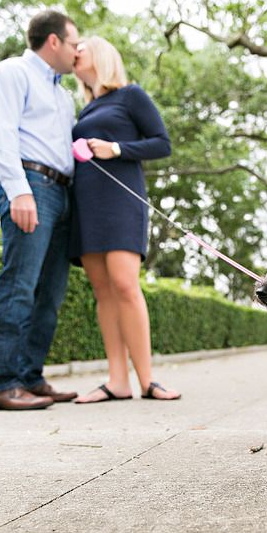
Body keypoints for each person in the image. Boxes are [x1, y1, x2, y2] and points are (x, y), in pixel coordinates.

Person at [69, 35, 181, 402]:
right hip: (86, 204)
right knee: (102, 291)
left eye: (79, 49)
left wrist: (115, 148)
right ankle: (117, 381)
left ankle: (147, 379)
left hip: (120, 201)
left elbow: (161, 143)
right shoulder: (85, 108)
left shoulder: (130, 95)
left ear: (99, 56)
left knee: (125, 285)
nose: (73, 54)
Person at [0, 10, 81, 410]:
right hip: (30, 186)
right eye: (74, 44)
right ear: (53, 41)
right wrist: (18, 190)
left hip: (62, 193)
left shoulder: (62, 94)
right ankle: (1, 385)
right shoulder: (11, 74)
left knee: (50, 294)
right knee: (18, 286)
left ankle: (29, 377)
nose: (78, 52)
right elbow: (2, 134)